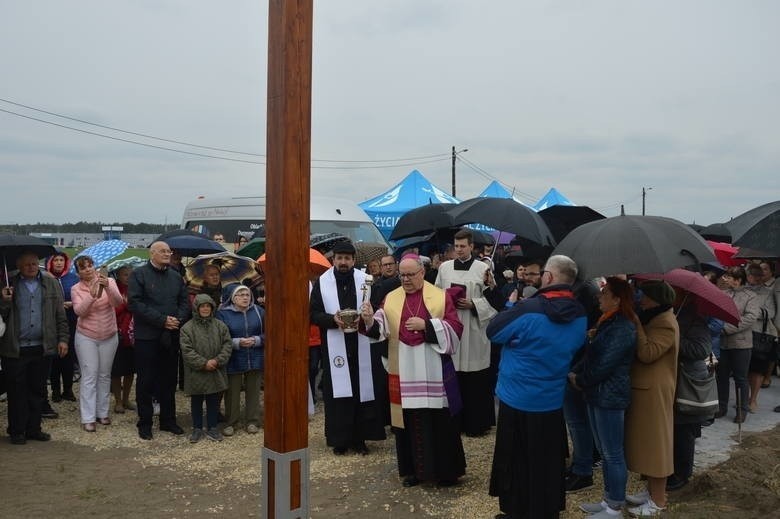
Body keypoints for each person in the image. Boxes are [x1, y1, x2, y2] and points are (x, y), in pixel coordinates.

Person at [486, 255, 587, 519]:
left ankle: (517, 511)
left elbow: (494, 332)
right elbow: (575, 348)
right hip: (551, 397)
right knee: (547, 459)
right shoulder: (580, 314)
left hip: (517, 396)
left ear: (549, 277)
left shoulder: (529, 308)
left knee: (516, 459)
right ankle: (546, 509)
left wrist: (511, 307)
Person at [360, 255, 465, 487]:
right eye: (402, 275)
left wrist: (426, 325)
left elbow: (456, 328)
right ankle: (414, 471)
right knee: (409, 421)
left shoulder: (439, 296)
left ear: (422, 273)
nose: (405, 279)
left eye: (410, 274)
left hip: (434, 369)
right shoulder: (391, 298)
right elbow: (380, 328)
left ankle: (446, 473)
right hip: (404, 370)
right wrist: (368, 320)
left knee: (439, 421)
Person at [310, 241, 387, 455]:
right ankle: (339, 439)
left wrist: (368, 315)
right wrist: (332, 319)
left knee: (361, 389)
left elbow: (379, 309)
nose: (343, 262)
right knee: (338, 393)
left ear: (353, 260)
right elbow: (313, 314)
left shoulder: (366, 281)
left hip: (361, 343)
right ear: (333, 260)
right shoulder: (322, 282)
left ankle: (360, 438)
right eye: (339, 258)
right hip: (335, 344)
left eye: (347, 258)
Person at [570, 277, 637, 518]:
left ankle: (615, 505)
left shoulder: (622, 326)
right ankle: (609, 498)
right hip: (598, 394)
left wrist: (580, 379)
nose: (599, 296)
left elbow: (604, 364)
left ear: (617, 299)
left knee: (612, 452)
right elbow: (595, 356)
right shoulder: (608, 322)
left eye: (605, 293)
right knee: (604, 449)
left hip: (609, 395)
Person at [435, 228, 500, 437]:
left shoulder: (483, 268)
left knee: (475, 379)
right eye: (457, 246)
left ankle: (476, 423)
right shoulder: (444, 268)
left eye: (463, 246)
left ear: (472, 247)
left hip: (473, 328)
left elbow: (495, 302)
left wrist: (474, 303)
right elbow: (435, 296)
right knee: (453, 375)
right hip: (452, 327)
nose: (460, 250)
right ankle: (455, 422)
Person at [0, 251, 69, 444]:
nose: (31, 267)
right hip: (15, 348)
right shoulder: (8, 283)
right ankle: (17, 430)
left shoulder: (51, 283)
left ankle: (34, 428)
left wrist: (63, 339)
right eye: (26, 264)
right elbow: (1, 316)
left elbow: (59, 315)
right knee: (16, 392)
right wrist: (4, 301)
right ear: (19, 266)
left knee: (38, 391)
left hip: (41, 346)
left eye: (33, 263)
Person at [624, 280, 680, 517]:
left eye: (645, 295)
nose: (641, 299)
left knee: (657, 446)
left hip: (654, 390)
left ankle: (658, 501)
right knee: (648, 444)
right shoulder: (657, 317)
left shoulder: (665, 322)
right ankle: (651, 493)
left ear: (657, 299)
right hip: (647, 389)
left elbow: (648, 354)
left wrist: (637, 325)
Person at [128, 241, 190, 440]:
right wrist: (162, 320)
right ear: (152, 253)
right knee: (145, 380)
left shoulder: (175, 276)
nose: (167, 254)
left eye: (169, 251)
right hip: (148, 336)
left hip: (170, 335)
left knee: (169, 380)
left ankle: (168, 420)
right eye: (163, 251)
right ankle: (145, 422)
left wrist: (177, 320)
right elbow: (135, 303)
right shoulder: (139, 274)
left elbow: (184, 302)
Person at [667, 286, 714, 491]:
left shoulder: (696, 320)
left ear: (685, 296)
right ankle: (672, 469)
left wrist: (674, 337)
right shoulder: (674, 314)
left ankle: (682, 474)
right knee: (675, 428)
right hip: (675, 379)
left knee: (684, 429)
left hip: (688, 382)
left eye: (675, 292)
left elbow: (701, 350)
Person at [71, 256, 124, 431]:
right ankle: (88, 417)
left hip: (109, 334)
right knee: (89, 375)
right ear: (78, 272)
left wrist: (107, 287)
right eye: (82, 267)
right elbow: (79, 311)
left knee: (104, 375)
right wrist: (92, 295)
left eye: (90, 266)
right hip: (87, 335)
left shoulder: (108, 280)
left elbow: (118, 303)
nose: (87, 269)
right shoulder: (76, 289)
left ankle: (102, 413)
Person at [180, 294, 232, 442]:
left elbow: (227, 345)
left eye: (208, 306)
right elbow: (187, 350)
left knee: (213, 400)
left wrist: (217, 360)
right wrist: (203, 363)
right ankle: (197, 428)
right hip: (196, 371)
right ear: (196, 308)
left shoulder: (220, 326)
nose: (205, 308)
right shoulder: (187, 328)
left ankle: (212, 428)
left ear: (212, 308)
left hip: (216, 369)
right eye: (202, 306)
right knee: (196, 400)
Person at [216, 283, 265, 435]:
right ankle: (232, 422)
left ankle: (252, 421)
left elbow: (270, 332)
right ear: (233, 298)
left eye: (247, 295)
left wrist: (257, 340)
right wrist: (237, 342)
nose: (245, 298)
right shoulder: (223, 314)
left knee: (254, 390)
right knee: (232, 391)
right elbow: (219, 337)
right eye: (241, 295)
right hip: (233, 357)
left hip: (255, 356)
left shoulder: (259, 311)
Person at [716, 266, 760, 423]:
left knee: (741, 378)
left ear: (739, 280)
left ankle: (742, 409)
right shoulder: (724, 294)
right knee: (722, 376)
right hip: (723, 343)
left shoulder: (751, 296)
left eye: (732, 278)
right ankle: (721, 406)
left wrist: (727, 328)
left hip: (741, 343)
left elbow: (750, 317)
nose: (728, 281)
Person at [45, 251, 79, 404]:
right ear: (50, 262)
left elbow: (79, 296)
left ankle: (68, 389)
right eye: (55, 260)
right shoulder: (45, 278)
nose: (59, 263)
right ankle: (56, 391)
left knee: (68, 358)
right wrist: (58, 305)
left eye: (61, 260)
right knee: (54, 359)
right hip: (51, 323)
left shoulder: (72, 278)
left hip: (71, 321)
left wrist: (73, 304)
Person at [745, 263, 777, 412]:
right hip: (743, 333)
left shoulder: (768, 292)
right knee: (744, 369)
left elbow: (770, 312)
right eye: (753, 274)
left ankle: (753, 400)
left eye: (759, 275)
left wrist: (751, 313)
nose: (756, 278)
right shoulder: (743, 290)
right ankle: (744, 398)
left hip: (759, 334)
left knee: (757, 369)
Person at [111, 265, 136, 414]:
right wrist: (125, 304)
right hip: (117, 332)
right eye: (125, 274)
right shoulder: (114, 289)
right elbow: (112, 310)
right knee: (116, 370)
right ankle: (118, 401)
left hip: (132, 334)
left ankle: (126, 399)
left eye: (130, 275)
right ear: (118, 276)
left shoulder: (135, 289)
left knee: (130, 369)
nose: (128, 277)